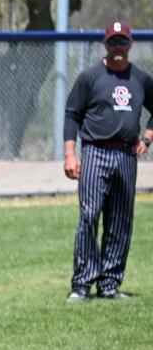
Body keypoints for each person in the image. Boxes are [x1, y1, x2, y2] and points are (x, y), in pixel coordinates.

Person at [63, 20, 153, 301]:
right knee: (89, 216)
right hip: (95, 152)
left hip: (126, 155)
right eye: (113, 41)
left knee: (120, 220)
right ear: (105, 44)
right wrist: (69, 154)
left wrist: (147, 139)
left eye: (122, 41)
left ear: (130, 44)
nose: (118, 47)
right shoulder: (90, 77)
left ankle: (110, 284)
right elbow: (72, 115)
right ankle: (81, 284)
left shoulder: (140, 79)